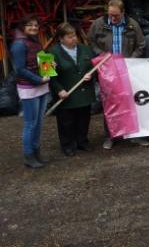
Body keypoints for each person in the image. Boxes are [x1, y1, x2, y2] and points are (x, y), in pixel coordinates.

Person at [87, 0, 149, 149]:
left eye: (116, 15)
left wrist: (131, 61)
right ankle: (110, 136)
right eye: (110, 15)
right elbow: (91, 41)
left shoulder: (132, 25)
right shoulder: (98, 24)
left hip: (127, 69)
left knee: (132, 102)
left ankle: (134, 135)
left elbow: (141, 45)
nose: (113, 18)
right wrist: (102, 55)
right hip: (107, 69)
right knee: (110, 103)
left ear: (123, 12)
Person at [48, 23, 96, 156]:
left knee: (83, 119)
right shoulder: (51, 52)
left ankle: (82, 142)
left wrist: (91, 74)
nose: (73, 39)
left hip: (84, 92)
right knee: (66, 121)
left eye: (74, 35)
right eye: (69, 37)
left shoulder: (85, 49)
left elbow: (95, 67)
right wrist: (59, 90)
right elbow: (50, 76)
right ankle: (67, 145)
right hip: (66, 93)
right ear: (61, 39)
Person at [10, 15, 50, 168]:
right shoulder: (19, 44)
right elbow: (19, 69)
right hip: (29, 88)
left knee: (38, 123)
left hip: (41, 87)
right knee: (30, 123)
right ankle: (28, 155)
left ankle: (36, 151)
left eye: (36, 25)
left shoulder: (35, 41)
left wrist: (49, 65)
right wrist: (39, 79)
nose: (34, 28)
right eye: (30, 25)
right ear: (22, 27)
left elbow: (40, 61)